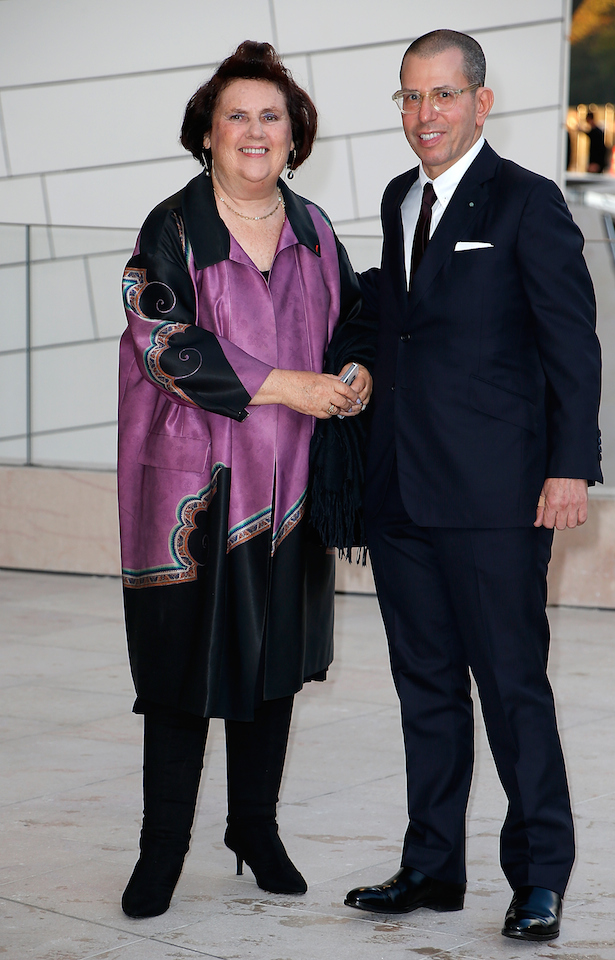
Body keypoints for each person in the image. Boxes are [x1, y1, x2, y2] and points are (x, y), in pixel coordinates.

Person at [343, 30, 602, 943]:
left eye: (443, 96)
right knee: (425, 689)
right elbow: (395, 325)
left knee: (511, 687)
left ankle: (539, 877)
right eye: (410, 99)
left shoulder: (530, 203)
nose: (425, 116)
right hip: (402, 491)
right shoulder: (395, 197)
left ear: (481, 102)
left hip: (496, 493)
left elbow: (573, 345)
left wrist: (570, 465)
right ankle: (430, 866)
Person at [118, 40, 372, 920]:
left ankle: (253, 829)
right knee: (181, 672)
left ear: (294, 137)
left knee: (271, 668)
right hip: (192, 496)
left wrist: (356, 369)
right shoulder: (173, 230)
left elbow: (351, 327)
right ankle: (161, 851)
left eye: (271, 116)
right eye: (237, 117)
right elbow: (162, 343)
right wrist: (283, 384)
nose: (255, 132)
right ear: (208, 137)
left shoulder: (317, 234)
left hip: (292, 488)